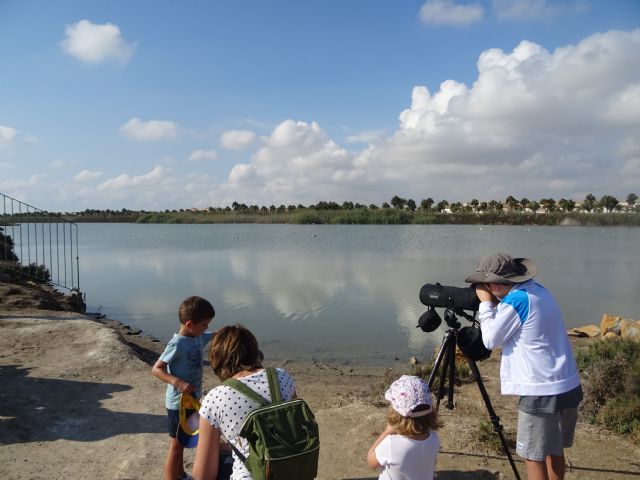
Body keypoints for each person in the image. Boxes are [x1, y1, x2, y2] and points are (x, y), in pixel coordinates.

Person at [465, 253, 582, 480]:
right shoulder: (539, 290)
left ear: (496, 284)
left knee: (533, 456)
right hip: (567, 384)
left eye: (485, 284)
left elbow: (490, 340)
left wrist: (486, 304)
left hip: (540, 391)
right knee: (554, 451)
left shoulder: (516, 300)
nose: (484, 288)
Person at [192, 324, 296, 480]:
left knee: (220, 455)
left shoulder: (215, 398)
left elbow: (203, 476)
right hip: (291, 471)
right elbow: (292, 424)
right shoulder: (282, 376)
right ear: (255, 352)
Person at [152, 296, 215, 480]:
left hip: (192, 402)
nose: (207, 329)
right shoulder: (177, 344)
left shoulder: (198, 337)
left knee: (184, 442)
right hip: (177, 404)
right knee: (176, 446)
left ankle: (180, 474)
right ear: (189, 324)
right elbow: (157, 369)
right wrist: (178, 382)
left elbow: (214, 335)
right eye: (204, 325)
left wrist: (230, 331)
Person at [366, 375, 442, 480]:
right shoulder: (434, 438)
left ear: (396, 415)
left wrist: (386, 432)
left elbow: (371, 462)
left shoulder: (391, 445)